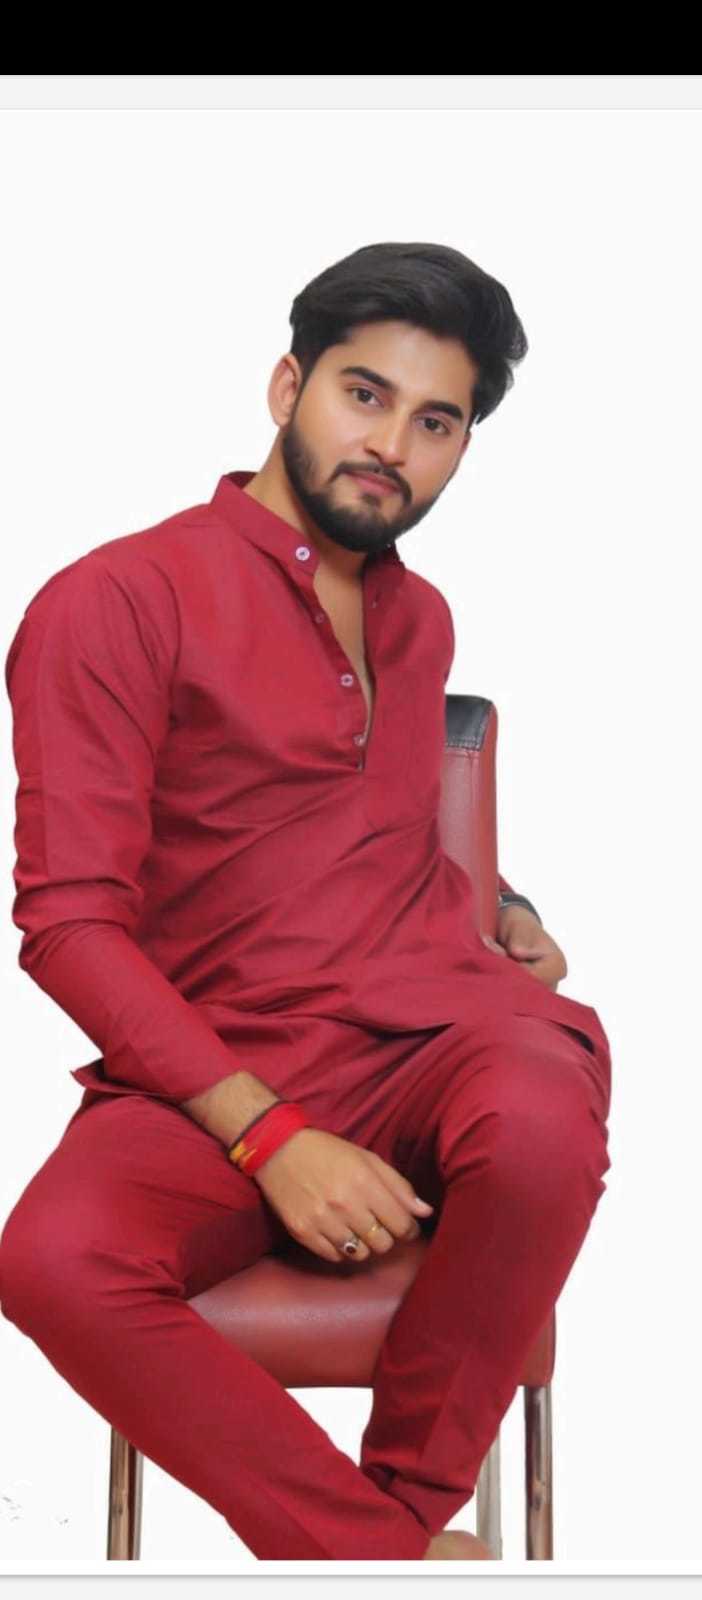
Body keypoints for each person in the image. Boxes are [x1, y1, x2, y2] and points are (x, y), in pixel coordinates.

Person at [0, 240, 612, 1562]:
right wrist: (272, 1139)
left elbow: (367, 814)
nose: (391, 444)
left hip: (433, 1034)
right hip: (217, 1058)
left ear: (462, 448)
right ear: (288, 387)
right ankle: (382, 1558)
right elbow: (67, 925)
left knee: (543, 1118)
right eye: (364, 394)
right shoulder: (116, 599)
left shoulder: (418, 617)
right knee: (53, 1259)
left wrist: (503, 899)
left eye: (436, 421)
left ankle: (391, 1520)